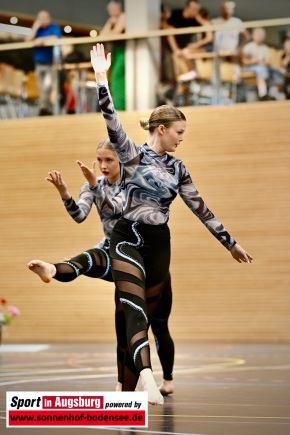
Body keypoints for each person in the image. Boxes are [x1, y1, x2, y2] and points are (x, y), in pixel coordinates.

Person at [91, 43, 253, 405]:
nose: (182, 138)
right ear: (161, 129)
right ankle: (146, 377)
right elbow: (110, 116)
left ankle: (125, 392)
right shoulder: (131, 155)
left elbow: (201, 208)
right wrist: (101, 78)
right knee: (130, 306)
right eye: (179, 132)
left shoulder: (178, 169)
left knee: (143, 315)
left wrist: (230, 243)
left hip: (158, 243)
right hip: (125, 237)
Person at [27, 138, 175, 396]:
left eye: (109, 160)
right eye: (100, 160)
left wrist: (96, 186)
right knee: (90, 260)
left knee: (156, 325)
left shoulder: (134, 184)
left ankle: (168, 380)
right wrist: (64, 192)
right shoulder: (91, 184)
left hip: (145, 260)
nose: (103, 165)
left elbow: (117, 210)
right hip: (114, 253)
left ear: (122, 160)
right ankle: (52, 269)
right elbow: (79, 215)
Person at [26, 10, 62, 116]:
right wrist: (35, 27)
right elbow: (28, 40)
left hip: (51, 63)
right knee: (42, 88)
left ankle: (44, 108)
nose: (41, 21)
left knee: (47, 87)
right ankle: (46, 109)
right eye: (39, 18)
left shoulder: (54, 27)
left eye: (43, 18)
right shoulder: (37, 29)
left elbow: (56, 38)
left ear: (48, 18)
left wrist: (41, 39)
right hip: (39, 63)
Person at [242, 27, 284, 101]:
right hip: (251, 68)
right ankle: (263, 93)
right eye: (258, 35)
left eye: (262, 35)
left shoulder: (265, 48)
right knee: (261, 69)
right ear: (253, 35)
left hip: (264, 68)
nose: (260, 37)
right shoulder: (249, 47)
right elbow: (244, 61)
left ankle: (272, 94)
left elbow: (268, 62)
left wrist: (262, 62)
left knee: (277, 72)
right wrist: (253, 61)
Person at [99, 0, 126, 110]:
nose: (111, 12)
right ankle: (118, 105)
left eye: (113, 9)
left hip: (124, 52)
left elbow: (116, 33)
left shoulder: (124, 17)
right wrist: (110, 23)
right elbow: (101, 36)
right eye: (110, 10)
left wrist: (111, 29)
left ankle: (121, 106)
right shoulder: (112, 20)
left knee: (117, 77)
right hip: (116, 52)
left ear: (119, 8)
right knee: (114, 79)